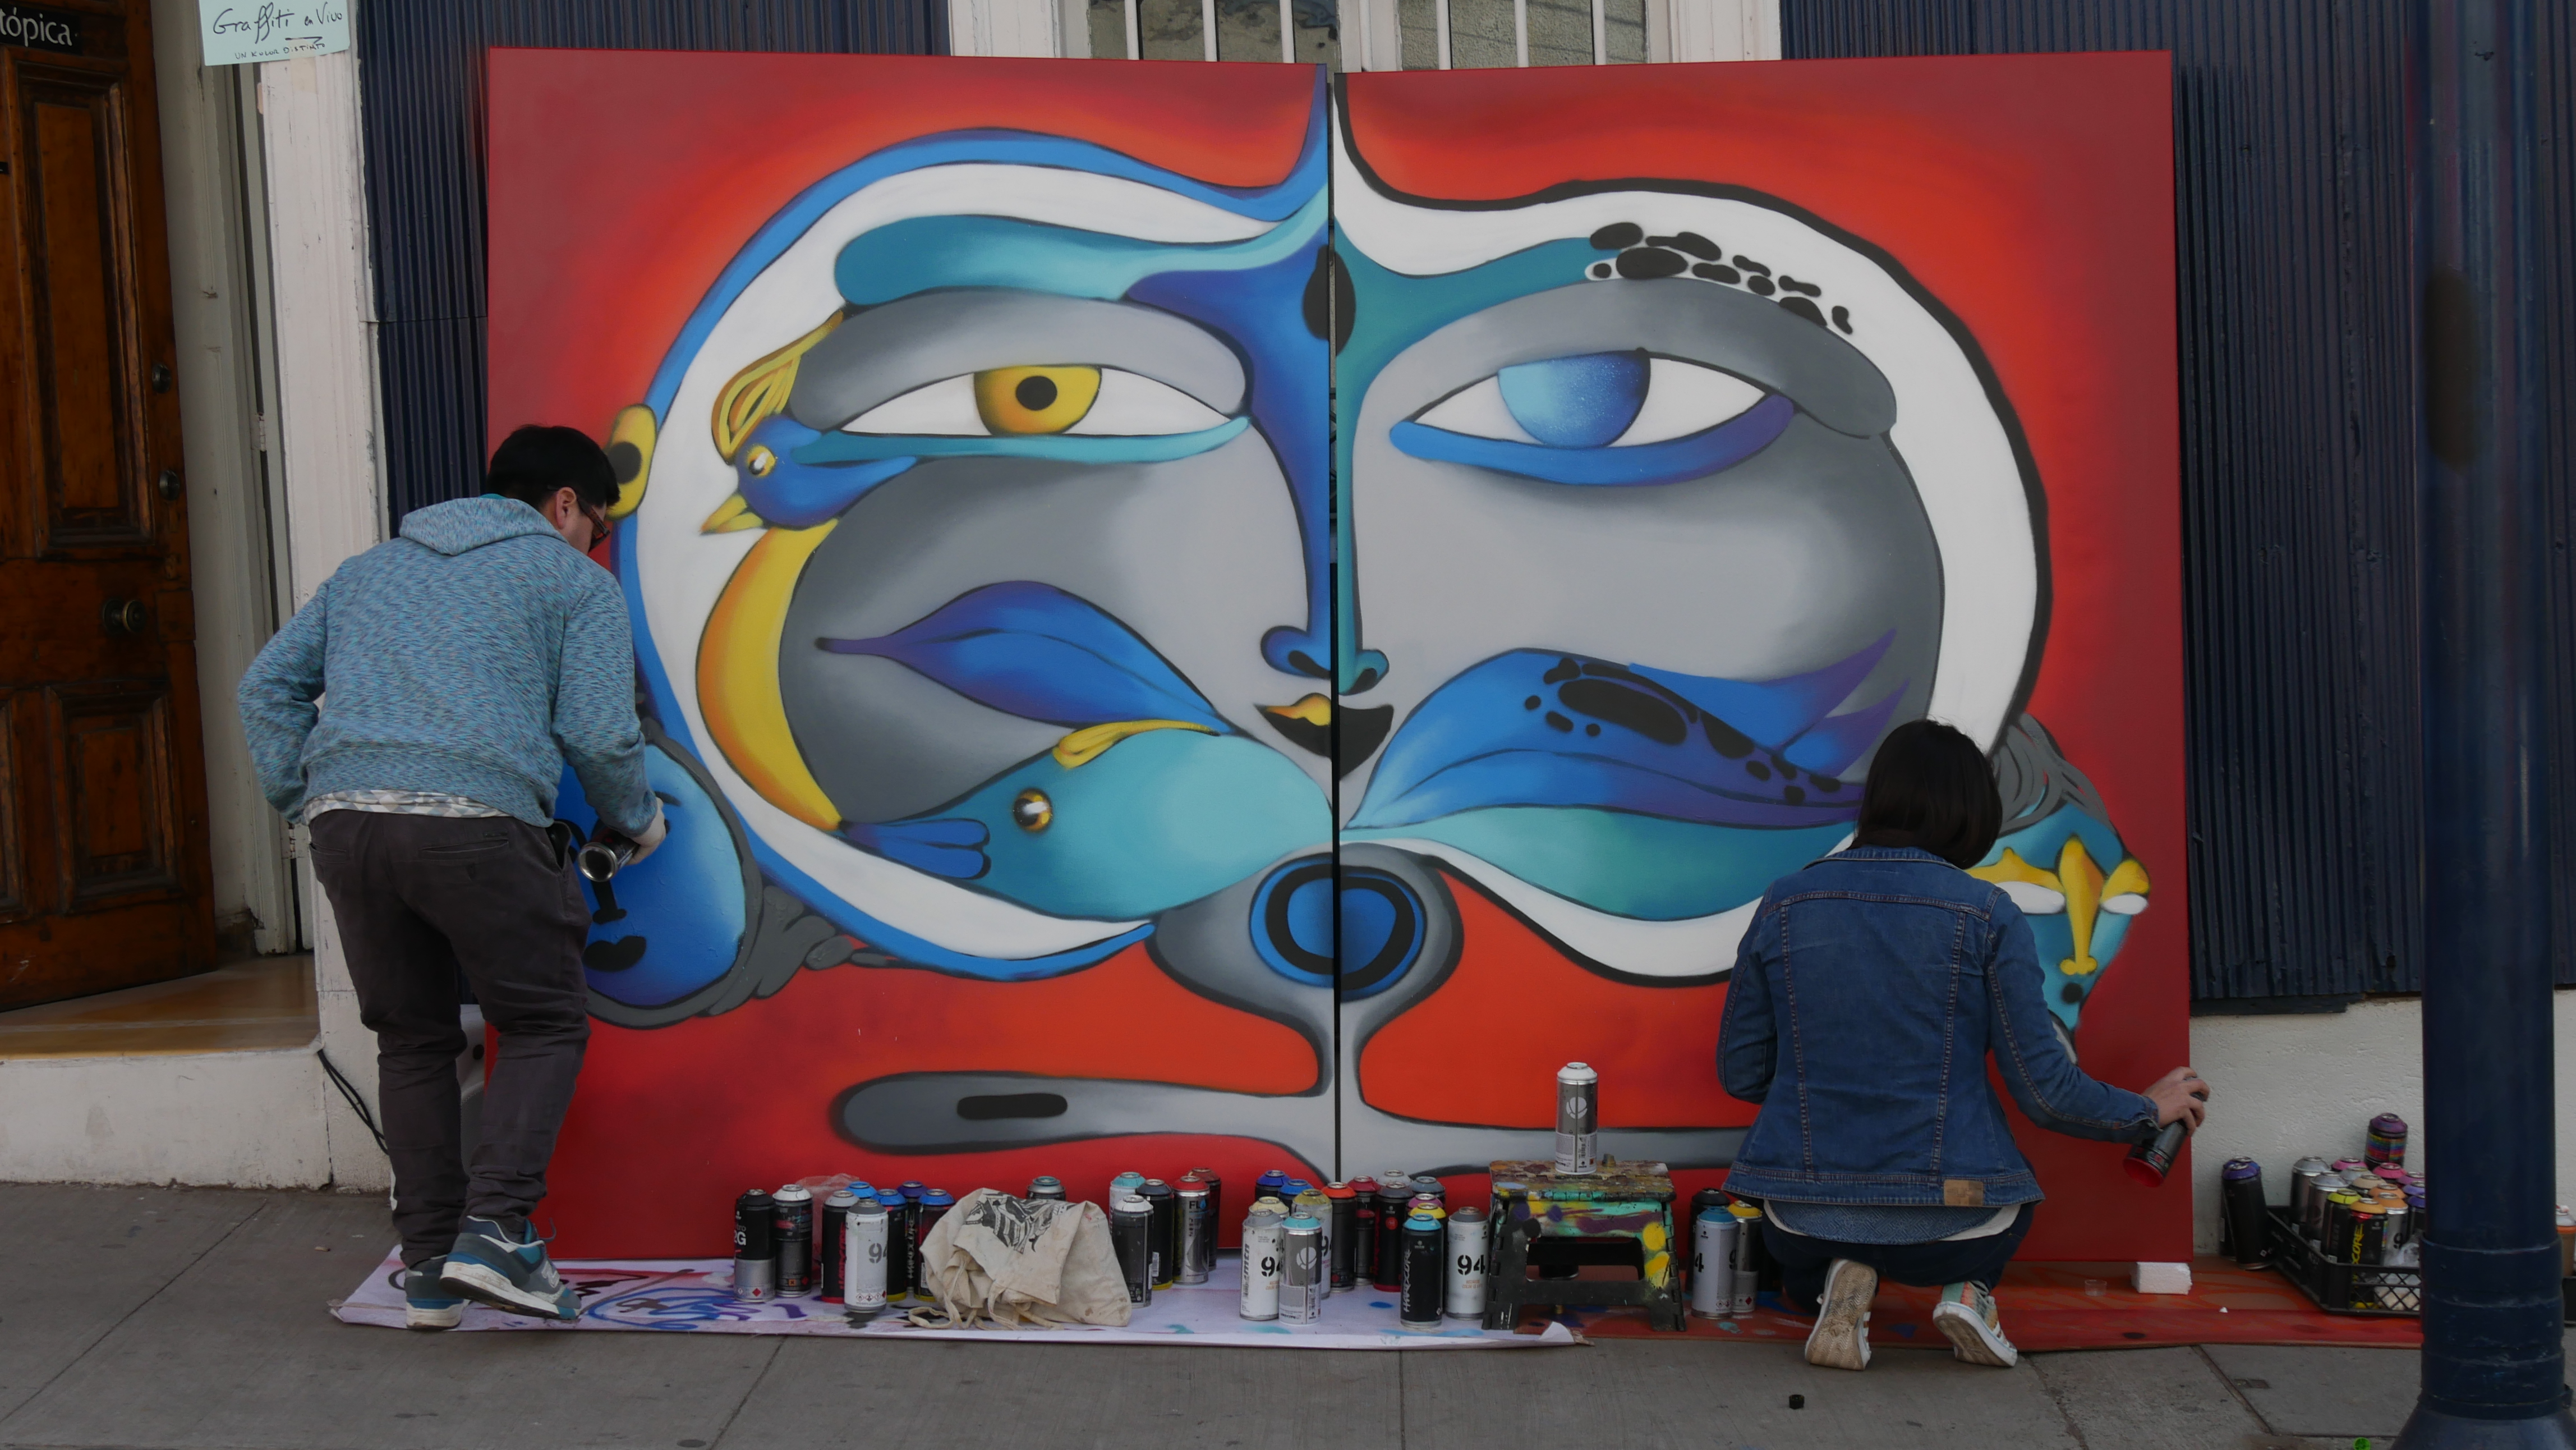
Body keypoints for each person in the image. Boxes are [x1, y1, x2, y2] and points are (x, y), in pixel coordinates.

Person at [238, 425, 665, 1329]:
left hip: (349, 827)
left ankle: (431, 1267)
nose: (597, 543)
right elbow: (599, 733)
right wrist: (638, 817)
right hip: (475, 823)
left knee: (413, 1041)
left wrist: (306, 797)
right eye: (600, 525)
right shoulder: (571, 581)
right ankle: (498, 1232)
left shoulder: (368, 571)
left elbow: (265, 688)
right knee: (543, 1020)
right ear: (566, 506)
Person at [1717, 718, 2207, 1371]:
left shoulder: (1784, 902)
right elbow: (2044, 1093)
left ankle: (1839, 1282)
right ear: (1970, 813)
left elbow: (1741, 1073)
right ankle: (1967, 1293)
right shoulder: (1986, 913)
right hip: (1955, 1223)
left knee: (1803, 1261)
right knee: (1997, 1222)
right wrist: (2145, 1110)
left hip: (1802, 1215)